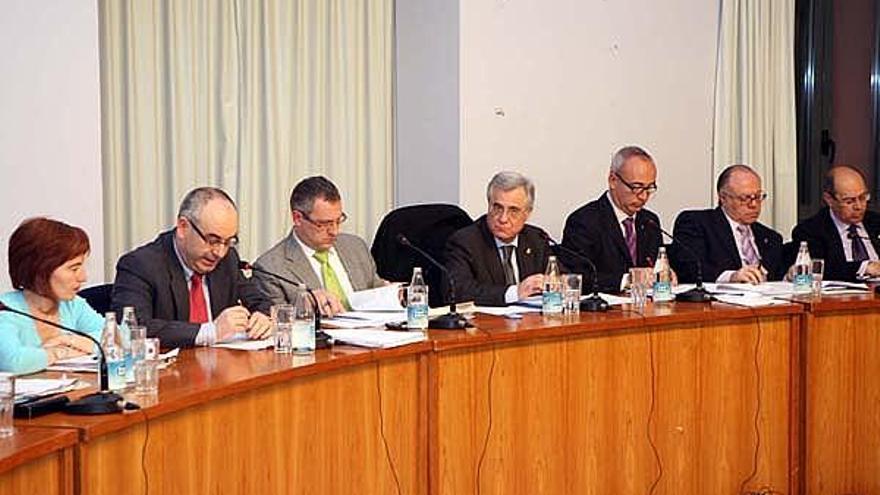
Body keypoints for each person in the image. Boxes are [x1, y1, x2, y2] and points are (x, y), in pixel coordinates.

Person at [112, 187, 271, 348]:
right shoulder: (140, 265)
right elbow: (131, 330)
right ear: (183, 227)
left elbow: (259, 301)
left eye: (229, 241)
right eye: (212, 240)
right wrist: (210, 332)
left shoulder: (227, 260)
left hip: (222, 367)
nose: (220, 252)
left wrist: (263, 317)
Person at [254, 176, 385, 315]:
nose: (334, 231)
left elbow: (376, 295)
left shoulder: (356, 247)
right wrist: (309, 304)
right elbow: (279, 322)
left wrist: (394, 294)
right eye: (324, 224)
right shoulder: (271, 268)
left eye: (338, 220)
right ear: (297, 218)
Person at [0, 218, 102, 374]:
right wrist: (62, 353)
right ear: (40, 270)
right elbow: (12, 361)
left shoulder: (73, 305)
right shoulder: (5, 310)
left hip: (68, 394)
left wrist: (68, 340)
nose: (83, 277)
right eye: (74, 269)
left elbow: (119, 337)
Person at [560, 146, 665, 293]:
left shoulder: (650, 222)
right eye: (636, 187)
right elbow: (577, 278)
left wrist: (665, 275)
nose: (643, 196)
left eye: (649, 188)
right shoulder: (584, 221)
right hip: (603, 312)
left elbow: (655, 267)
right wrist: (627, 280)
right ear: (613, 180)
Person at [445, 171, 551, 306]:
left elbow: (559, 277)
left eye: (513, 211)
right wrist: (514, 293)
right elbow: (458, 292)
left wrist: (558, 283)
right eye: (497, 208)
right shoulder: (465, 241)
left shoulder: (536, 239)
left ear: (527, 213)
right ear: (489, 205)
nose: (503, 219)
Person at [671, 164, 784, 284]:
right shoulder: (696, 223)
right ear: (723, 198)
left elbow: (776, 277)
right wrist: (731, 277)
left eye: (758, 197)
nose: (754, 205)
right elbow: (689, 268)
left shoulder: (771, 238)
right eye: (744, 198)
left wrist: (788, 276)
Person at [791, 165, 880, 281]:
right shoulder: (810, 230)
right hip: (842, 296)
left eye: (863, 198)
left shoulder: (876, 223)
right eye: (849, 201)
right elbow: (818, 268)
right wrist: (865, 267)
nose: (859, 206)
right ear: (829, 199)